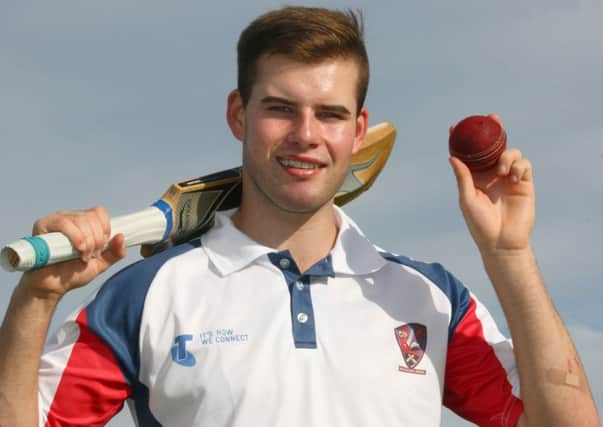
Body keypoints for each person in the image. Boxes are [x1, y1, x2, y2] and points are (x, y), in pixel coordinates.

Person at [0, 6, 598, 427]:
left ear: (358, 130)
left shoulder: (429, 298)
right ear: (239, 114)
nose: (306, 136)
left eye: (330, 114)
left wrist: (509, 254)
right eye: (281, 109)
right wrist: (36, 299)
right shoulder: (146, 295)